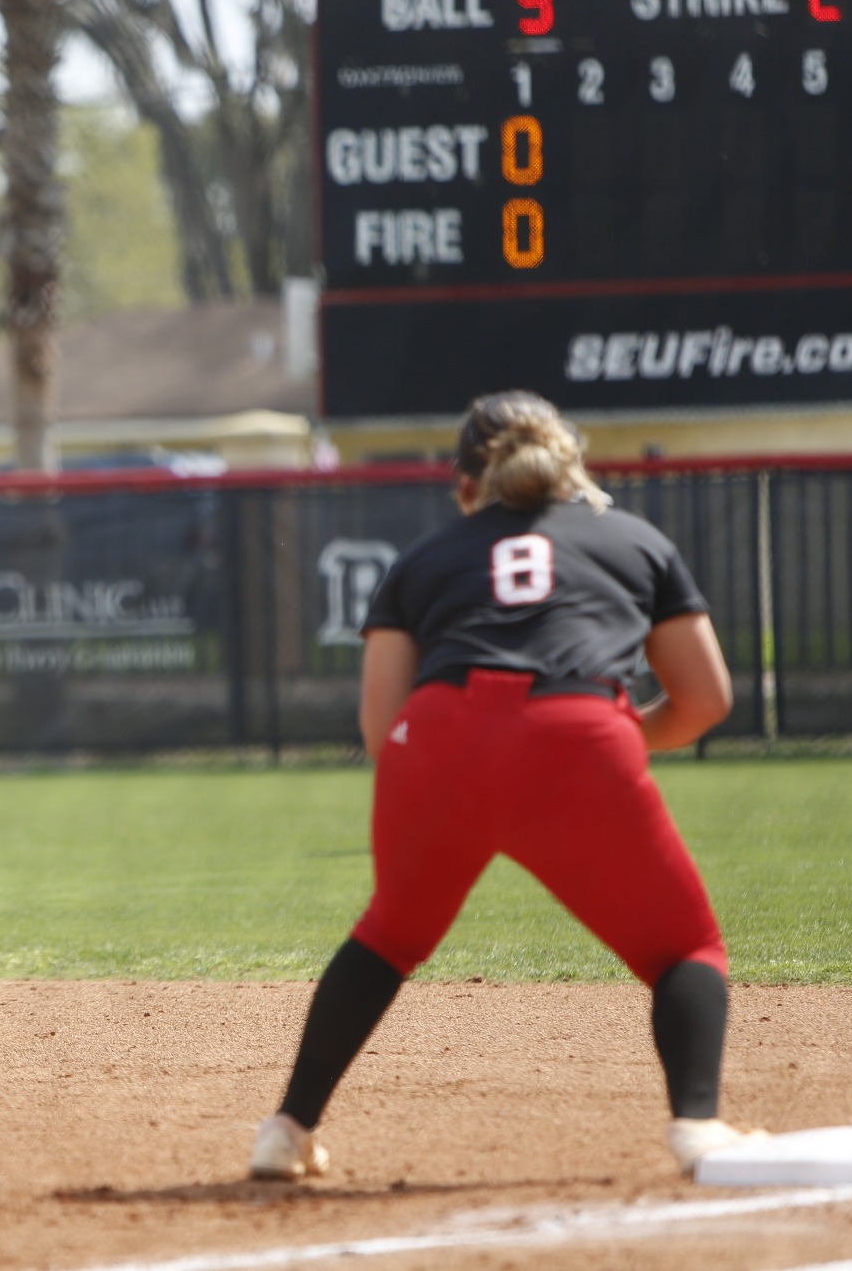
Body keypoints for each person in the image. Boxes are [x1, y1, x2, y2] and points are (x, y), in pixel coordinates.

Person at [250, 391, 753, 1181]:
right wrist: (614, 741)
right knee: (685, 947)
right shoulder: (634, 538)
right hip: (581, 735)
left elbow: (382, 730)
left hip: (440, 740)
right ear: (574, 473)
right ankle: (697, 1125)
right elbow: (707, 699)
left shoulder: (422, 559)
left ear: (465, 488)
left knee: (388, 935)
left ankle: (284, 1131)